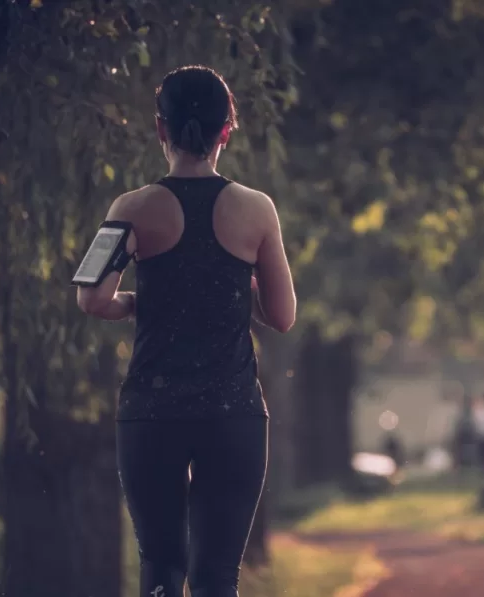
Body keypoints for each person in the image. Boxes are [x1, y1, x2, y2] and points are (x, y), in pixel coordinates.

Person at [75, 66, 296, 597]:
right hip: (233, 413)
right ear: (227, 130)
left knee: (161, 568)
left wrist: (139, 302)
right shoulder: (257, 209)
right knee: (217, 574)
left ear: (160, 129)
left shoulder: (130, 208)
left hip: (152, 413)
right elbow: (282, 315)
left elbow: (90, 297)